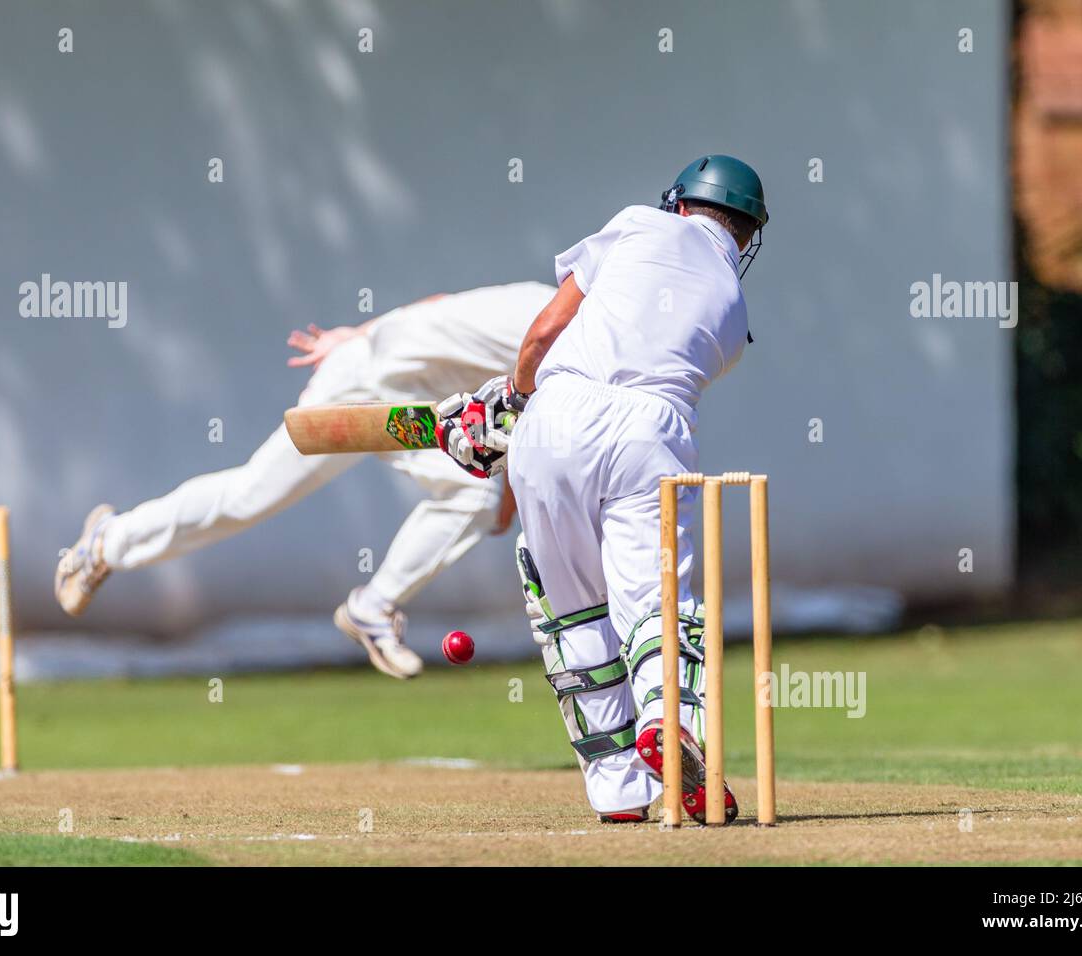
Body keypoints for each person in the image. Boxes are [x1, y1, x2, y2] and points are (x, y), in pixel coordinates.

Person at [438, 156, 769, 822]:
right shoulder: (734, 315)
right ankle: (669, 721)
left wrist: (509, 406)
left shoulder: (637, 225)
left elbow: (542, 334)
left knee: (569, 609)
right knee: (654, 602)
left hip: (557, 415)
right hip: (654, 432)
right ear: (745, 233)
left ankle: (617, 787)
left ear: (679, 203)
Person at [55, 282, 555, 678]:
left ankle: (372, 609)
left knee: (470, 496)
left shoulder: (547, 302)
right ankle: (108, 541)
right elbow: (521, 399)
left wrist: (361, 332)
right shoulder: (558, 326)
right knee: (249, 495)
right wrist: (360, 338)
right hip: (362, 381)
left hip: (411, 403)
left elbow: (446, 315)